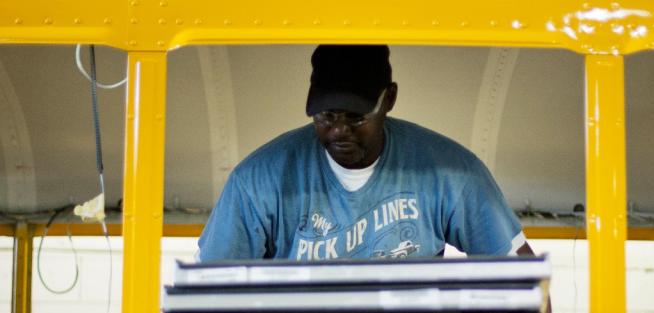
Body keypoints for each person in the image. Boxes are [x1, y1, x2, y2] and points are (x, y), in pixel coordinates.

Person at [195, 44, 533, 262]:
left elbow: (524, 282)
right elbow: (205, 299)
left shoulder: (452, 173)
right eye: (326, 116)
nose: (339, 130)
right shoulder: (256, 181)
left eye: (356, 116)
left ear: (389, 99)